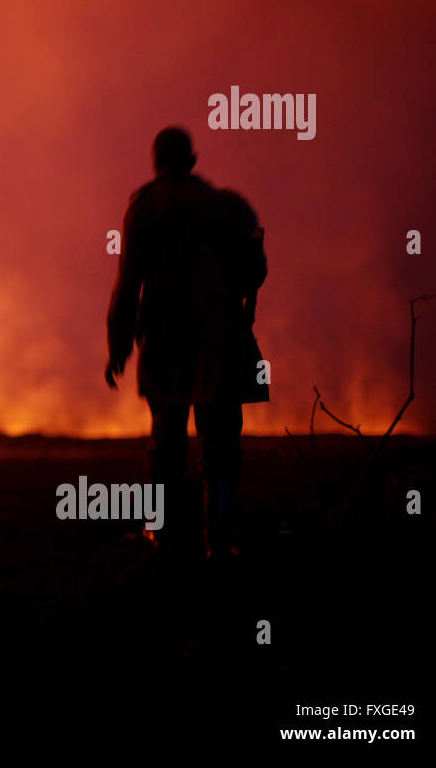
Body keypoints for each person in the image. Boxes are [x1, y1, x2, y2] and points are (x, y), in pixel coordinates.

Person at [105, 127, 267, 560]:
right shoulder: (229, 208)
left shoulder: (143, 209)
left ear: (156, 161)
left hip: (164, 343)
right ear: (193, 159)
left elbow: (128, 285)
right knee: (220, 445)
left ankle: (163, 535)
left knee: (166, 442)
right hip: (219, 341)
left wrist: (118, 346)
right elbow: (255, 272)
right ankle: (219, 539)